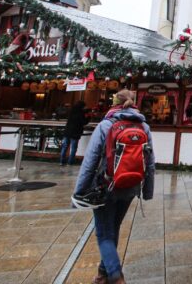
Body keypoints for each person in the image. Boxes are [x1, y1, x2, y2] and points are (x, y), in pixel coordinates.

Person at [73, 89, 155, 284]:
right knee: (113, 228)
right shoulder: (144, 126)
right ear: (134, 103)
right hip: (131, 186)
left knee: (104, 233)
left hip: (106, 186)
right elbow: (150, 162)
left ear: (114, 103)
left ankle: (116, 276)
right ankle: (104, 274)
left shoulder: (106, 125)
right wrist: (147, 191)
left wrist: (79, 192)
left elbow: (90, 161)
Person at [60, 100, 89, 166]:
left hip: (67, 131)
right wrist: (88, 117)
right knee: (73, 148)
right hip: (75, 132)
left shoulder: (71, 111)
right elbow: (84, 122)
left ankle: (62, 161)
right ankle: (70, 162)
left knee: (64, 147)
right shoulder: (81, 113)